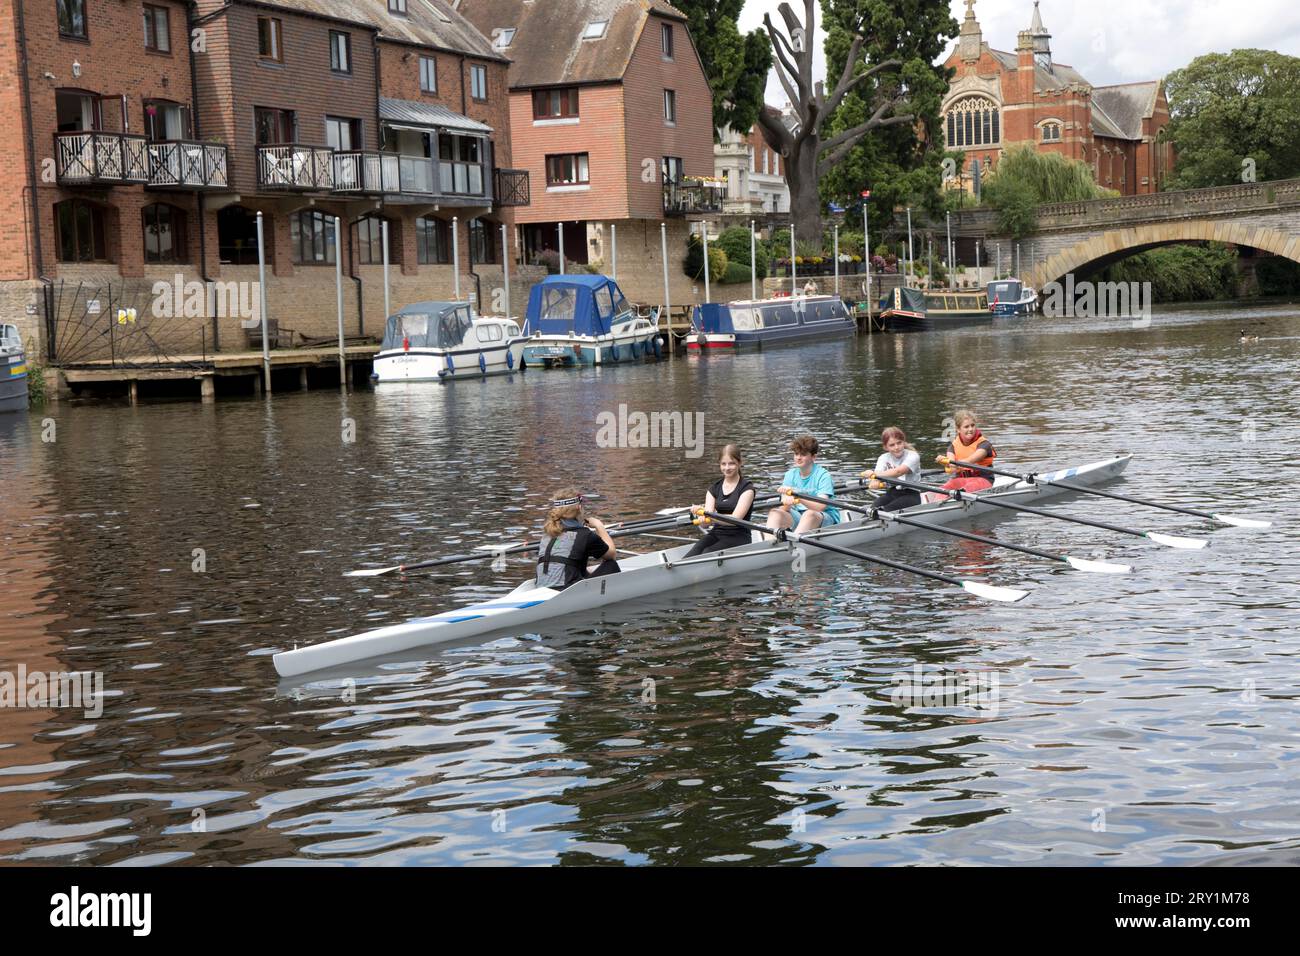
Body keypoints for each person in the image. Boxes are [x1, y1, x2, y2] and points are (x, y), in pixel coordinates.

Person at [535, 489, 620, 589]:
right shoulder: (585, 534)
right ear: (579, 507)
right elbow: (612, 555)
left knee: (576, 565)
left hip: (540, 588)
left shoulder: (547, 533)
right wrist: (599, 526)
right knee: (611, 565)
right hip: (566, 590)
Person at [686, 444, 756, 556]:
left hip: (739, 537)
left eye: (731, 463)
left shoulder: (747, 489)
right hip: (716, 534)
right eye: (723, 464)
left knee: (707, 553)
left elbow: (735, 519)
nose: (727, 468)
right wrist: (701, 517)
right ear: (719, 464)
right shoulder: (713, 489)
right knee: (692, 553)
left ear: (739, 463)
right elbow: (706, 524)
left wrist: (710, 515)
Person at [767, 435, 841, 536]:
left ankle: (793, 544)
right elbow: (785, 509)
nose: (798, 458)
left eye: (803, 454)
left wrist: (798, 496)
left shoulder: (823, 475)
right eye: (796, 454)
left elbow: (820, 506)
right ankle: (770, 546)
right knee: (775, 513)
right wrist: (786, 502)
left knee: (809, 514)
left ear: (814, 457)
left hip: (824, 517)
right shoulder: (790, 475)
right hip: (800, 516)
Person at [938, 409, 996, 494]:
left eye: (972, 425)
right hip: (962, 480)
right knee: (945, 487)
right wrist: (944, 462)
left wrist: (950, 462)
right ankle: (937, 501)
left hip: (983, 480)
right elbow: (953, 468)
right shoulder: (952, 447)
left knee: (969, 486)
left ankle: (959, 497)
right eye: (966, 427)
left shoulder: (984, 445)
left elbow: (969, 461)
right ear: (958, 429)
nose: (971, 429)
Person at [865, 426, 923, 511]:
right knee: (872, 510)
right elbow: (878, 474)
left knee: (884, 511)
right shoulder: (883, 458)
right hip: (891, 493)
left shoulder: (913, 456)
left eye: (899, 443)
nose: (896, 447)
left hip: (911, 495)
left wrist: (873, 474)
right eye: (892, 445)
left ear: (903, 442)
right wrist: (875, 481)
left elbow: (898, 472)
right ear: (885, 447)